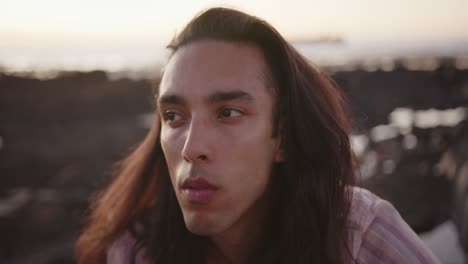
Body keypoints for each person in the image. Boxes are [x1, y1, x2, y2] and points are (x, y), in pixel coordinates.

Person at [75, 7, 440, 264]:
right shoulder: (136, 251)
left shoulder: (358, 238)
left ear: (281, 136)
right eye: (173, 116)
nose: (191, 148)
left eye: (228, 113)